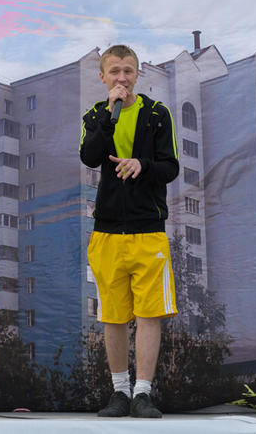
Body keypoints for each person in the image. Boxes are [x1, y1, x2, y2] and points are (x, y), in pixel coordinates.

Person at [79, 44, 179, 418]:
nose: (122, 78)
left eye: (128, 71)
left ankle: (143, 394)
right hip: (107, 231)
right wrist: (109, 116)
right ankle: (119, 392)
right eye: (115, 71)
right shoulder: (95, 116)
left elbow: (171, 167)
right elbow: (89, 156)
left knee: (149, 314)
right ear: (102, 77)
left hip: (148, 230)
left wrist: (142, 165)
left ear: (138, 74)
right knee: (113, 315)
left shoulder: (157, 114)